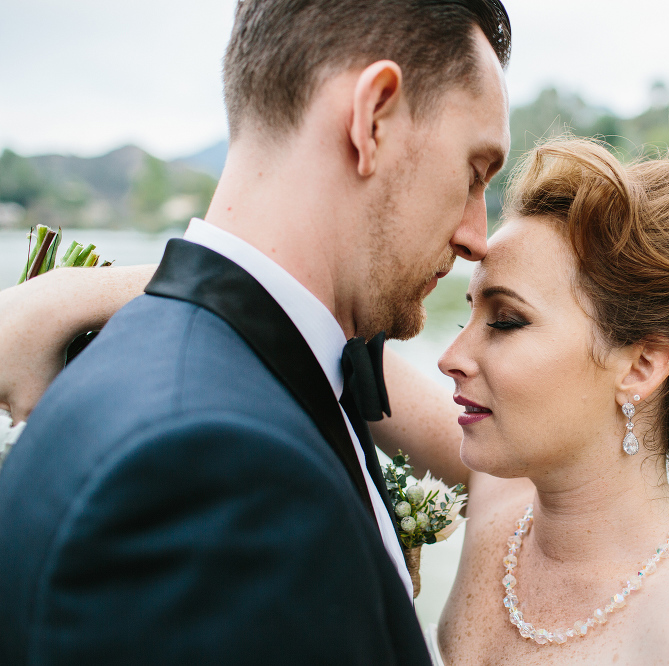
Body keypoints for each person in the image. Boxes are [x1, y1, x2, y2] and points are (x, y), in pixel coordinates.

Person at [0, 136, 669, 663]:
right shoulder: (500, 496)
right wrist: (69, 296)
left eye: (508, 321)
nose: (453, 358)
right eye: (470, 311)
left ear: (641, 367)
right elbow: (301, 325)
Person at [0, 0, 511, 663]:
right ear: (373, 117)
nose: (478, 236)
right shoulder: (210, 471)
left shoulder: (261, 372)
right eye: (474, 174)